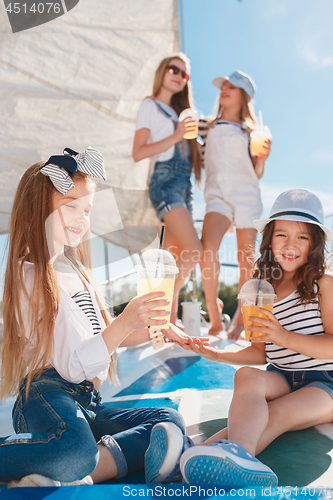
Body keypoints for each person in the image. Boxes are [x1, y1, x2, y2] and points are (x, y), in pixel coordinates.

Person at [0, 147, 205, 488]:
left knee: (167, 420)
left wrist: (158, 329)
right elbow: (70, 365)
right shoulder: (30, 274)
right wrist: (125, 320)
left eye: (87, 209)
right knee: (77, 451)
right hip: (47, 396)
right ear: (39, 210)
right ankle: (72, 464)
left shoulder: (78, 273)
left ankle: (64, 473)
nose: (82, 217)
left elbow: (104, 339)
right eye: (71, 206)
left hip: (87, 402)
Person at [145, 188, 333, 488]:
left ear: (315, 243)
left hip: (325, 382)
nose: (290, 245)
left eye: (302, 237)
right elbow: (260, 353)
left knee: (276, 413)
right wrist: (215, 355)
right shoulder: (263, 288)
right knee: (247, 376)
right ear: (269, 239)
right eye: (282, 235)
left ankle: (239, 456)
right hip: (282, 376)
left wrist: (283, 335)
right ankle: (193, 458)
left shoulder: (323, 284)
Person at [199, 70, 271, 337]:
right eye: (223, 86)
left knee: (246, 260)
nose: (224, 89)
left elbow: (257, 172)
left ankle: (240, 317)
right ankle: (214, 314)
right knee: (207, 249)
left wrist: (262, 158)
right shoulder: (207, 125)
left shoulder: (252, 131)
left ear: (245, 96)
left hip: (246, 195)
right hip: (216, 193)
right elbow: (198, 157)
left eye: (232, 86)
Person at [132, 54, 203, 325]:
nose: (179, 76)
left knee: (172, 261)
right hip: (165, 182)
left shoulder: (180, 112)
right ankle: (162, 307)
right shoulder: (150, 105)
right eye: (174, 69)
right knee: (194, 250)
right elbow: (138, 152)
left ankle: (165, 323)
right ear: (162, 71)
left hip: (184, 186)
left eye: (184, 74)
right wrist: (176, 135)